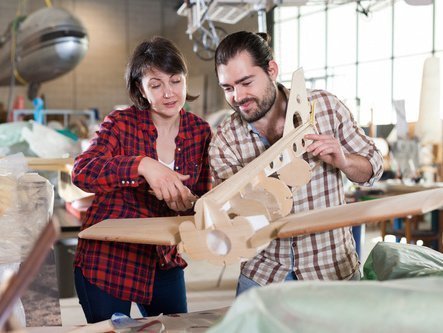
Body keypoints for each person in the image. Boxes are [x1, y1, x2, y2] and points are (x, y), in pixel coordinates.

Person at [209, 31, 383, 295]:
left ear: (272, 70)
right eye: (228, 88)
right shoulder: (225, 139)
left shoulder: (326, 108)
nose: (238, 96)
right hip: (263, 275)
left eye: (246, 82)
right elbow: (231, 216)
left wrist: (344, 161)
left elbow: (373, 168)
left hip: (331, 270)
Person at [72, 36, 212, 323]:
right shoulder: (120, 123)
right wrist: (142, 165)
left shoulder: (200, 132)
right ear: (141, 89)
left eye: (175, 81)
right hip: (109, 259)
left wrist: (190, 203)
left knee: (176, 328)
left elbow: (202, 197)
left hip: (162, 260)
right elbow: (82, 171)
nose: (169, 93)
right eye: (156, 85)